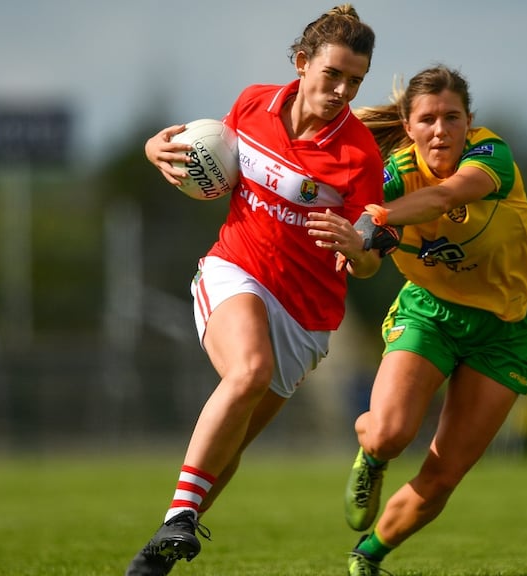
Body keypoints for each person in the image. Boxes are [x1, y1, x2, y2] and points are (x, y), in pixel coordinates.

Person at [124, 5, 385, 575]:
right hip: (234, 270)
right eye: (332, 75)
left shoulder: (359, 155)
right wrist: (155, 150)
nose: (342, 90)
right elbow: (204, 153)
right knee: (248, 371)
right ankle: (176, 521)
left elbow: (368, 265)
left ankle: (164, 546)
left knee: (233, 444)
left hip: (307, 316)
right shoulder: (252, 104)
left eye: (355, 81)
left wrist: (357, 247)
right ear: (301, 63)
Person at [342, 65, 527, 576]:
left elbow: (447, 196)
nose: (440, 130)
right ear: (409, 128)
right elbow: (365, 267)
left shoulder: (490, 154)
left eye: (451, 117)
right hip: (431, 312)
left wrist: (378, 220)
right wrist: (359, 248)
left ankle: (368, 557)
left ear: (469, 121)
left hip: (508, 327)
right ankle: (371, 454)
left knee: (442, 476)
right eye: (428, 119)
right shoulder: (389, 177)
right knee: (389, 434)